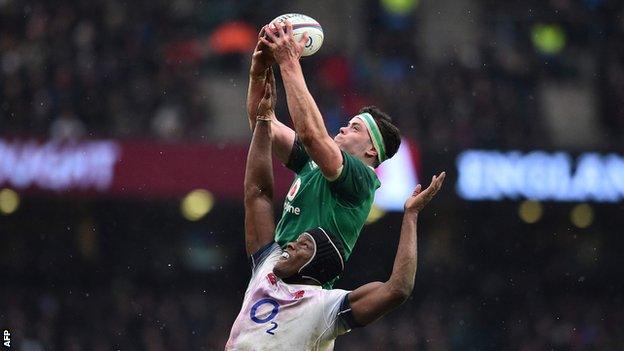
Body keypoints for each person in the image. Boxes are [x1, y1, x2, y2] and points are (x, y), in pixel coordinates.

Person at [226, 82, 445, 350]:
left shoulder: (322, 307)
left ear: (372, 150)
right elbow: (257, 194)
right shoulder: (268, 266)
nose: (291, 243)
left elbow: (397, 289)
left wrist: (410, 216)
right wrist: (262, 116)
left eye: (355, 127)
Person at [246, 21, 402, 287]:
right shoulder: (313, 164)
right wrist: (258, 72)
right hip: (274, 273)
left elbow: (312, 135)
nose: (343, 127)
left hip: (307, 291)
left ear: (371, 149)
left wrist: (289, 62)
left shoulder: (362, 181)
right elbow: (262, 122)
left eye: (355, 128)